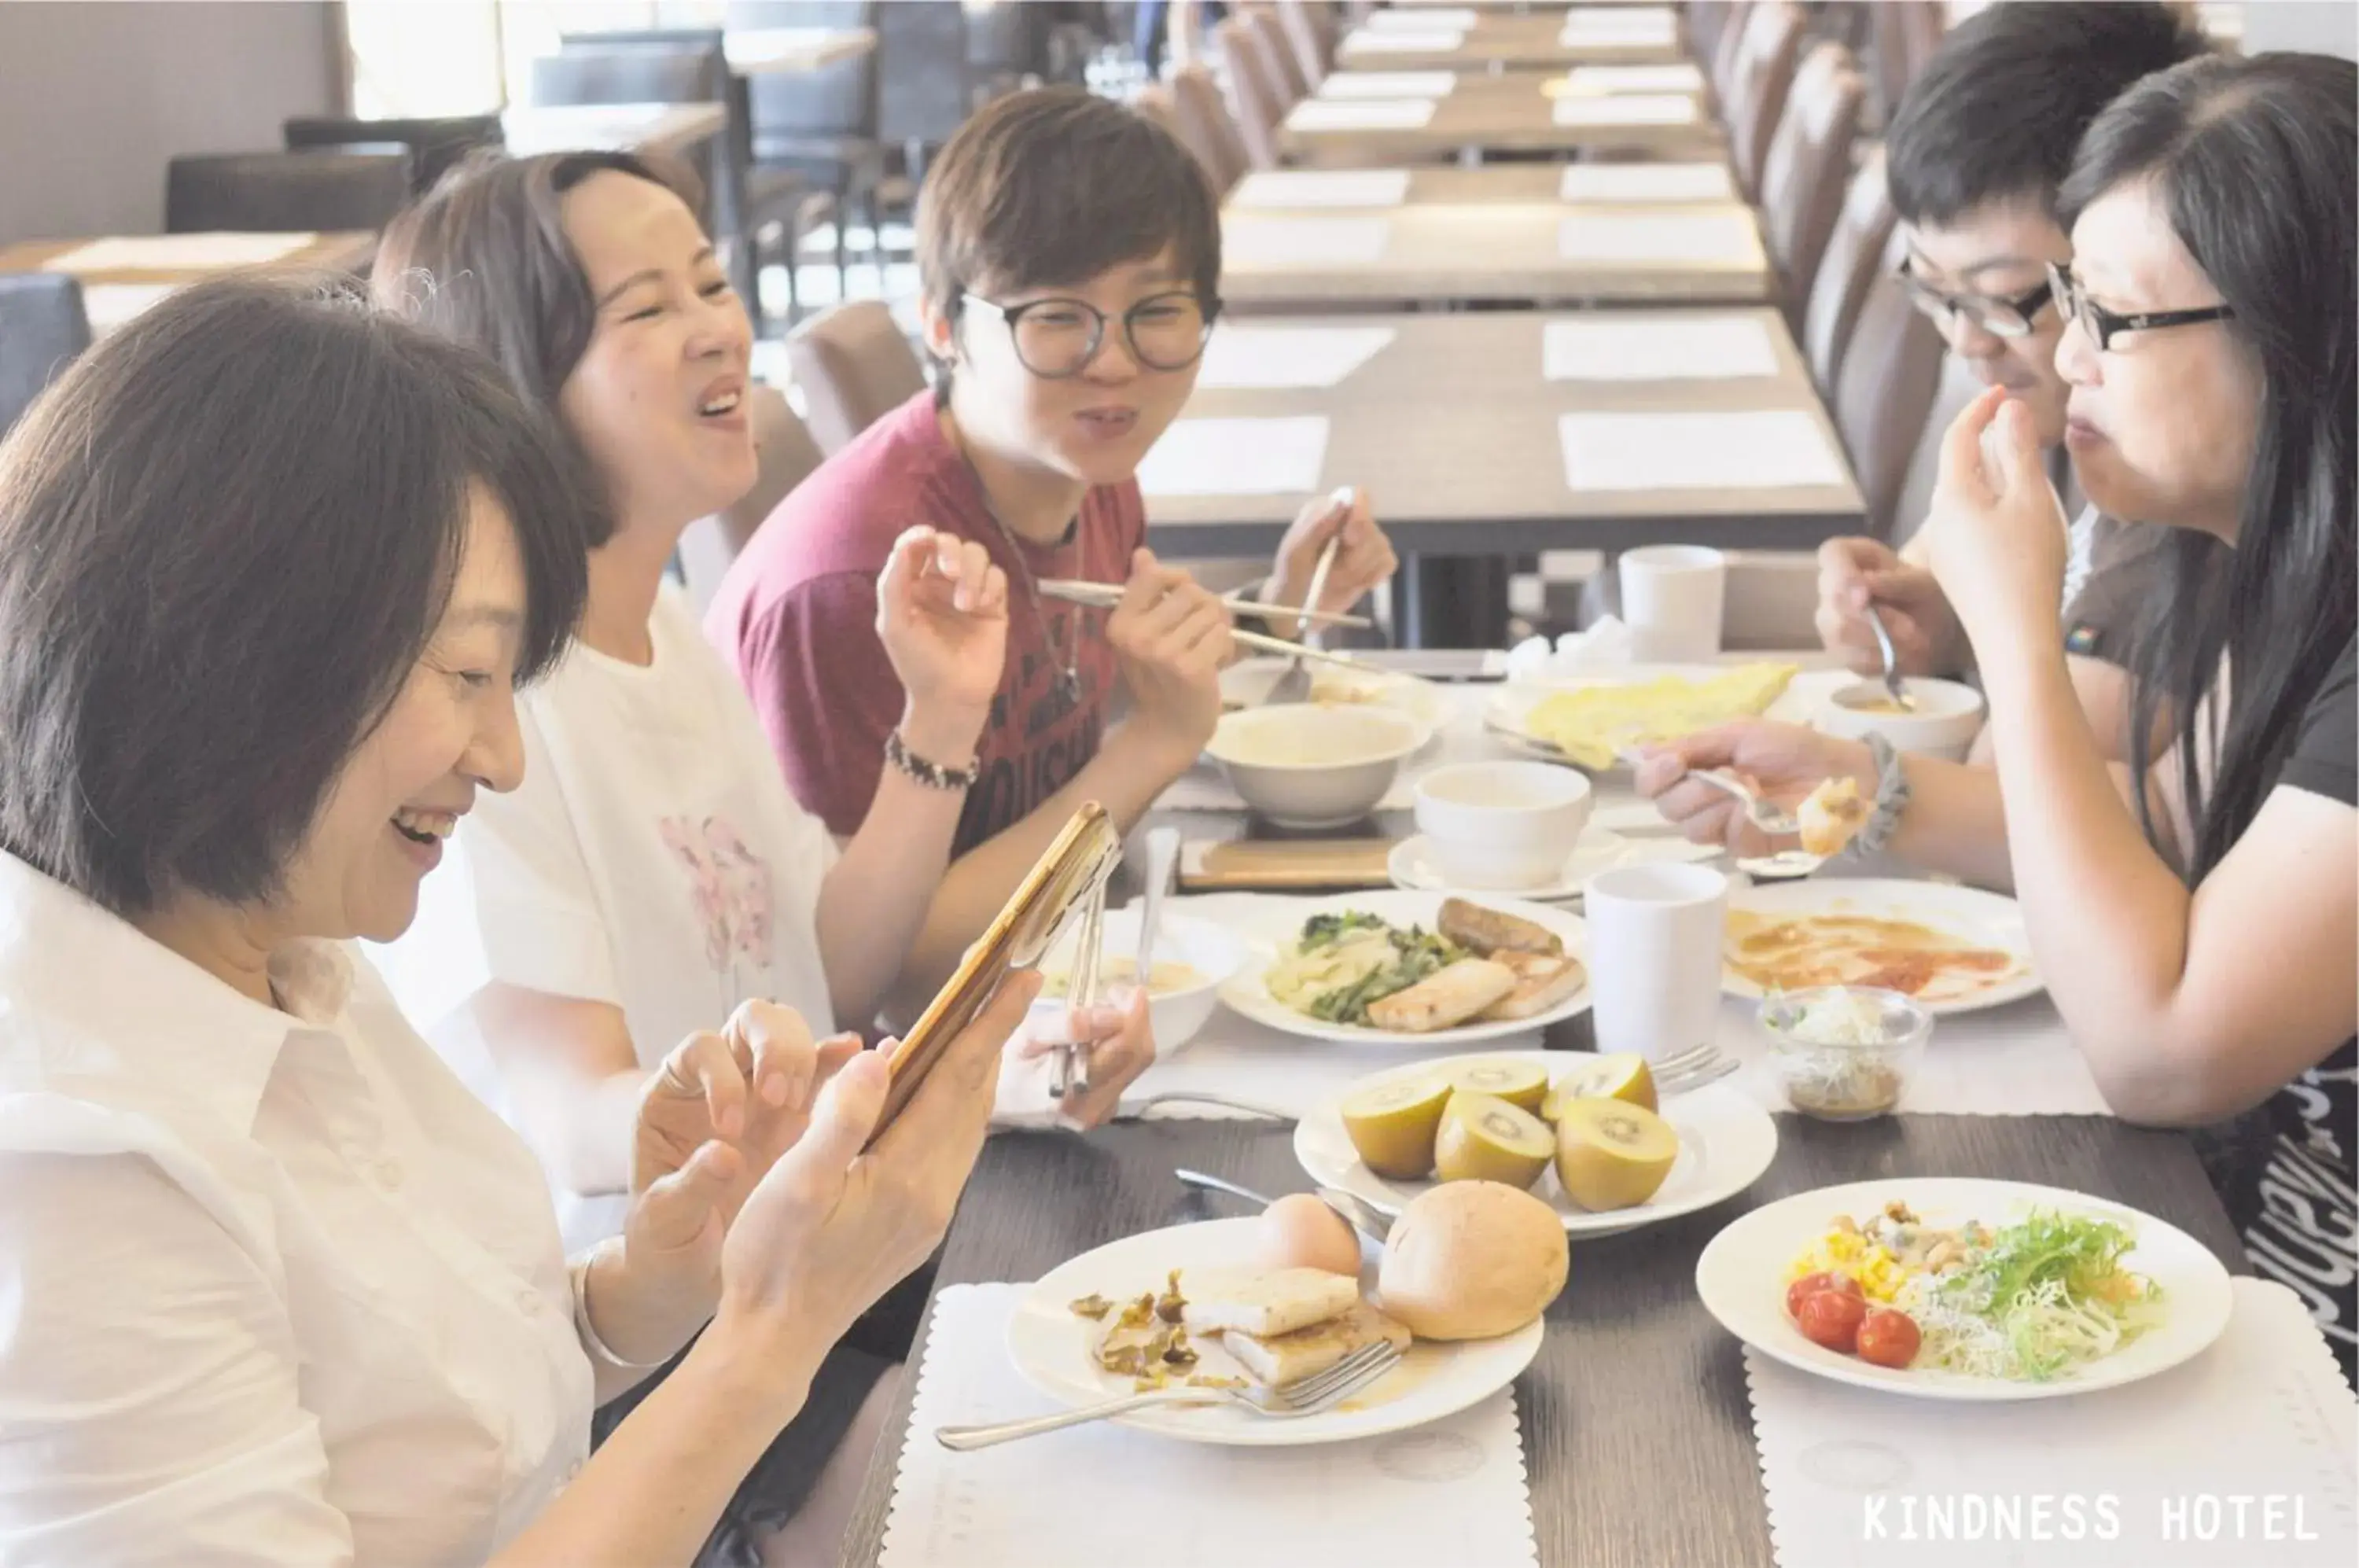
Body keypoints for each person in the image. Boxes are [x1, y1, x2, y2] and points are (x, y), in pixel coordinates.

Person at [0, 274, 1038, 1563]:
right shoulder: (67, 1161)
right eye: (467, 675)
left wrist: (666, 1274)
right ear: (240, 648)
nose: (504, 757)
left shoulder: (279, 942)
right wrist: (776, 1328)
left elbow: (454, 1422)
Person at [367, 151, 1159, 1564]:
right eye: (646, 307)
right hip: (646, 1369)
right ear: (513, 379)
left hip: (797, 1263)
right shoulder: (490, 706)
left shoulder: (674, 621)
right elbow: (572, 1118)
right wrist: (743, 1110)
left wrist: (942, 717)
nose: (721, 326)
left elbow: (831, 958)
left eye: (715, 282)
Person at [1643, 53, 2357, 1380]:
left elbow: (2161, 1046)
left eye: (2113, 317)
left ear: (2304, 341)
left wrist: (2016, 629)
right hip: (2229, 1238)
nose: (2062, 354)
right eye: (2067, 298)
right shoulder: (2254, 563)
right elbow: (2153, 833)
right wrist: (1866, 783)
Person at [705, 88, 1398, 966]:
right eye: (1057, 317)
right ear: (943, 325)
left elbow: (1067, 691)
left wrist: (1276, 609)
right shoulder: (856, 586)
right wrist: (1153, 744)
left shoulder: (1079, 465)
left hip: (1064, 974)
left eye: (1156, 312)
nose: (1113, 362)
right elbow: (879, 966)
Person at [1813, 1, 2209, 764]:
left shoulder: (2174, 484)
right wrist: (1928, 613)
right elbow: (1932, 569)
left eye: (2004, 299)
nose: (1966, 340)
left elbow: (2015, 774)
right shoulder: (2034, 413)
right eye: (1935, 291)